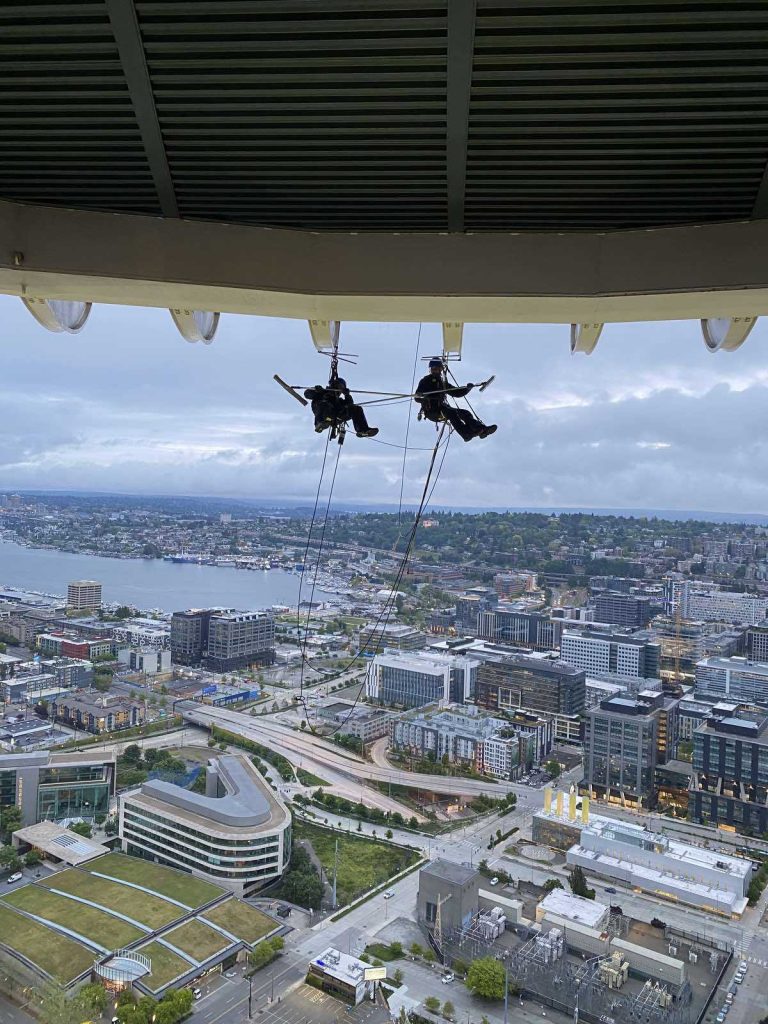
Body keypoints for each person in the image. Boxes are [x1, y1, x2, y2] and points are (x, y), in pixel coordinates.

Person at [415, 358, 497, 441]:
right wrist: (423, 399)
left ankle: (481, 430)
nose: (433, 371)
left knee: (465, 413)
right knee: (451, 412)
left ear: (440, 369)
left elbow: (457, 393)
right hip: (432, 411)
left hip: (442, 408)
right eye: (432, 369)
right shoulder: (425, 381)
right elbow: (416, 397)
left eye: (436, 369)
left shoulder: (443, 383)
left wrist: (467, 389)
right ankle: (466, 434)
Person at [303, 377, 378, 438]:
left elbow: (350, 405)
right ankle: (319, 424)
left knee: (356, 408)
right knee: (325, 403)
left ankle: (363, 430)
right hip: (324, 415)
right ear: (333, 385)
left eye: (341, 388)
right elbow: (307, 394)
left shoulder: (339, 400)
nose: (339, 390)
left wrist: (347, 395)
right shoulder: (322, 393)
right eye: (338, 386)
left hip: (336, 417)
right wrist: (316, 390)